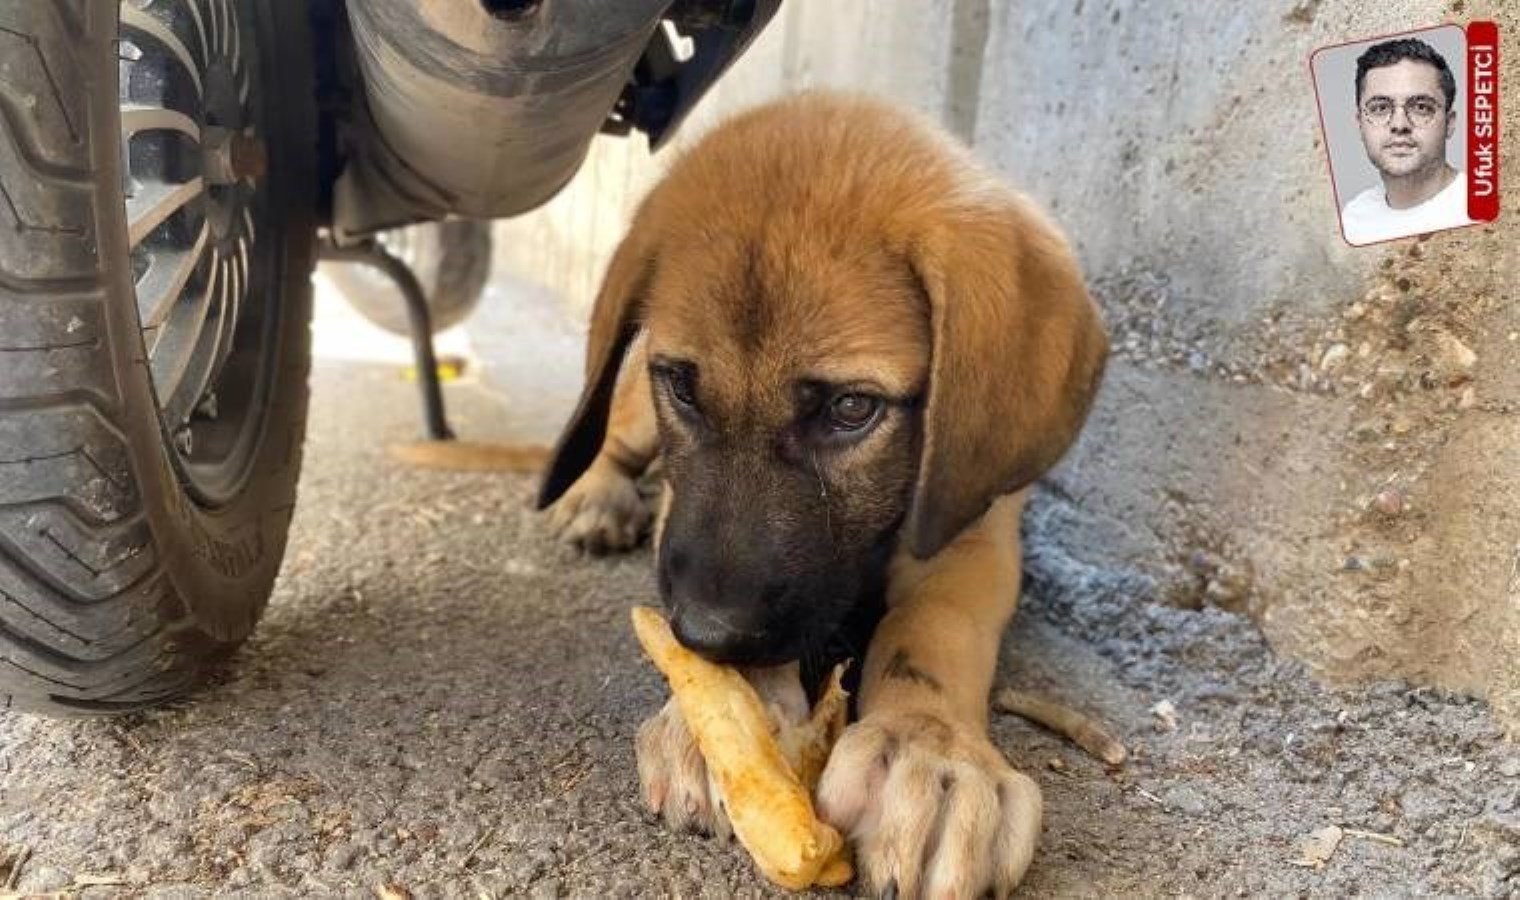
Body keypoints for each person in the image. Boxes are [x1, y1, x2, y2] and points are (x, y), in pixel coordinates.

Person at [1340, 38, 1472, 245]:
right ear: (1360, 125)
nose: (1399, 124)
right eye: (1380, 108)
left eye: (1420, 107)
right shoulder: (1352, 220)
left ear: (1450, 123)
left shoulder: (1486, 209)